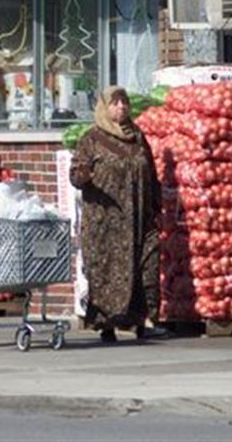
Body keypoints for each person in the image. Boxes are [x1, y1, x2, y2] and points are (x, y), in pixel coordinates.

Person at [69, 86, 168, 342]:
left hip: (140, 218)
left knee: (147, 265)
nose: (122, 107)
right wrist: (83, 176)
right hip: (106, 221)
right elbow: (76, 174)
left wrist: (157, 206)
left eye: (124, 103)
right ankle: (107, 324)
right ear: (104, 108)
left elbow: (152, 173)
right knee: (106, 271)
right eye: (115, 103)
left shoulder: (137, 137)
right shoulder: (91, 139)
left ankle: (143, 321)